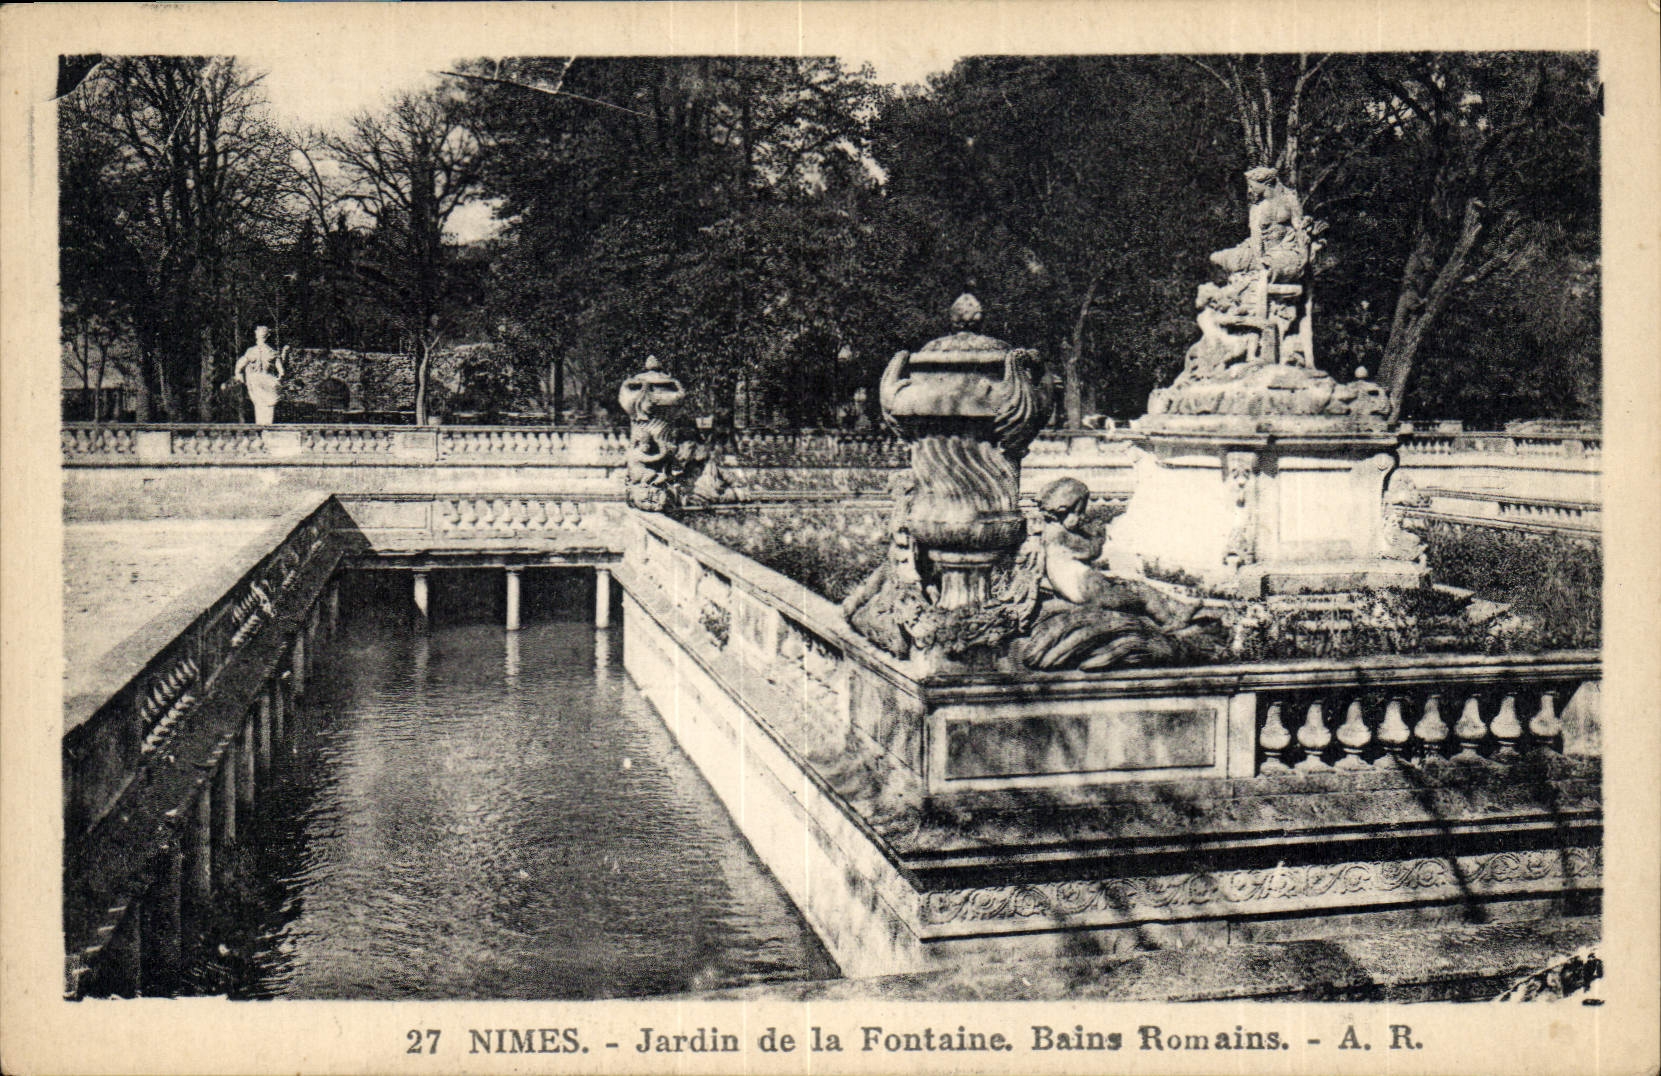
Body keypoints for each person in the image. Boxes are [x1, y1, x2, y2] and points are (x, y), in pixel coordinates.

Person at [1036, 478, 1200, 630]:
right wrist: (1100, 534)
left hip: (1081, 588)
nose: (1082, 517)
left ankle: (1178, 608)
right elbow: (1092, 551)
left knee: (1134, 588)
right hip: (1088, 588)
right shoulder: (1062, 537)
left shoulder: (1049, 532)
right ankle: (1171, 620)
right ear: (1064, 509)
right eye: (1078, 512)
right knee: (1140, 593)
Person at [233, 325, 285, 425]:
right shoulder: (272, 352)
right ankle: (266, 430)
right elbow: (281, 371)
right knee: (269, 407)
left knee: (260, 405)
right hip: (268, 380)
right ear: (268, 336)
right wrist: (280, 377)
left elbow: (240, 365)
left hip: (255, 380)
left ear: (257, 336)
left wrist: (239, 375)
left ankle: (262, 430)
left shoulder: (251, 351)